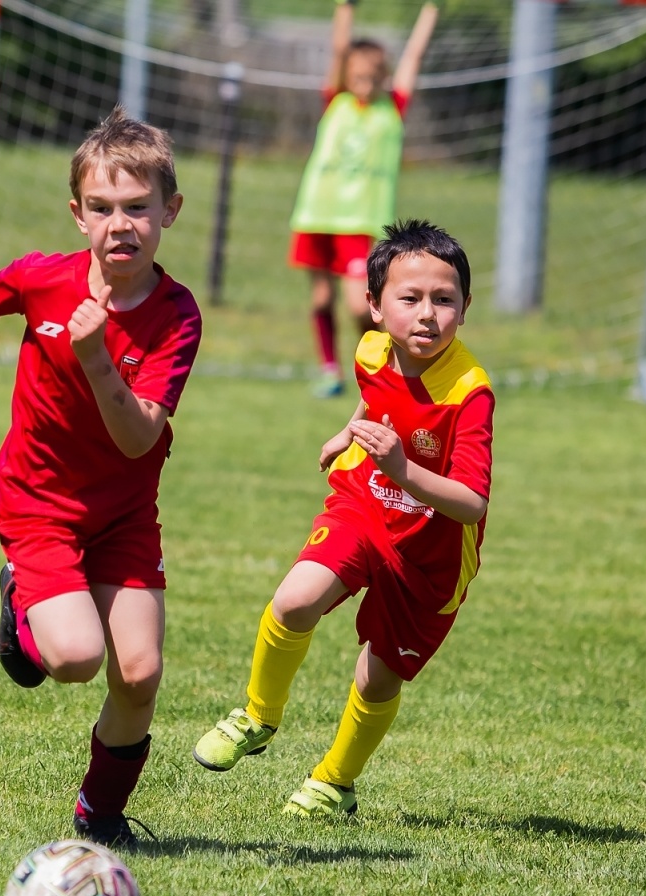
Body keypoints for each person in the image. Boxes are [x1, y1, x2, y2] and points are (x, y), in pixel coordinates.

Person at [0, 107, 201, 847]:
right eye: (103, 208)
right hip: (39, 503)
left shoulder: (177, 315)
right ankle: (21, 596)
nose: (121, 225)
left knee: (140, 672)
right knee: (77, 659)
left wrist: (96, 358)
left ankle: (100, 815)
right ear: (78, 214)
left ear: (170, 211)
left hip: (123, 512)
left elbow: (137, 437)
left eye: (138, 207)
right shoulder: (45, 279)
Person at [192, 219, 492, 817]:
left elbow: (472, 501)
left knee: (378, 677)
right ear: (375, 306)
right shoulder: (372, 350)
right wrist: (348, 431)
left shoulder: (469, 391)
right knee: (294, 601)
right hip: (364, 503)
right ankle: (257, 716)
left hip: (430, 554)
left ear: (465, 308)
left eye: (444, 300)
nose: (427, 315)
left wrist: (404, 469)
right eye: (409, 298)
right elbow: (375, 395)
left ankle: (335, 781)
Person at [290, 0, 440, 398]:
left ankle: (377, 368)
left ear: (383, 77)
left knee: (361, 306)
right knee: (321, 299)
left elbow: (413, 55)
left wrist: (431, 10)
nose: (364, 83)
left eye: (372, 77)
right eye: (357, 76)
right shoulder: (336, 101)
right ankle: (329, 370)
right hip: (317, 214)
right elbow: (340, 48)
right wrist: (345, 8)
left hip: (359, 221)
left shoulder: (392, 110)